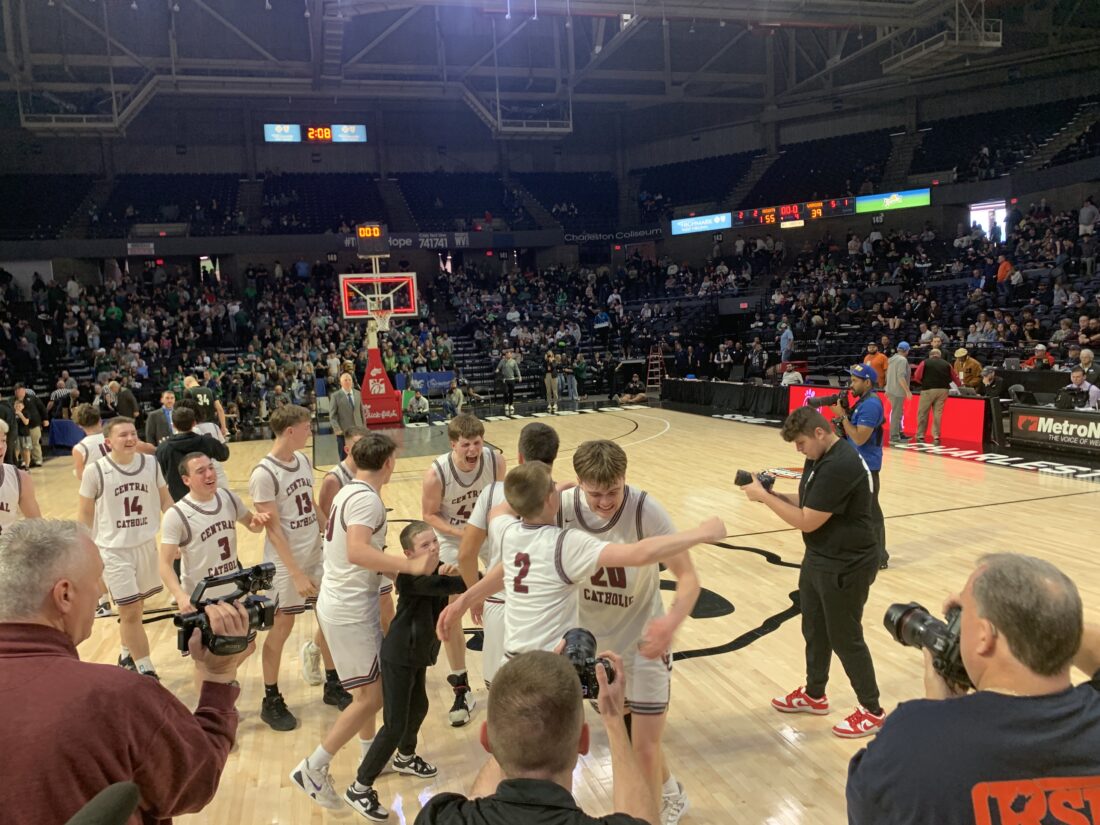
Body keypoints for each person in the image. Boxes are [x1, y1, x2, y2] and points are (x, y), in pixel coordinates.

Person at [0, 519, 253, 825]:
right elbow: (197, 782)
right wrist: (219, 676)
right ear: (64, 595)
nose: (101, 592)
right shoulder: (116, 697)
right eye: (97, 579)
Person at [847, 554, 1100, 824]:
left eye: (960, 614)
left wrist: (937, 717)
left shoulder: (905, 745)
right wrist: (1041, 620)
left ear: (984, 636)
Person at [291, 434, 438, 815]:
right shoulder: (367, 500)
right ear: (388, 463)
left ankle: (370, 754)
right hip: (349, 610)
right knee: (371, 698)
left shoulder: (348, 490)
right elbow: (357, 551)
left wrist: (394, 575)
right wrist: (410, 566)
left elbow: (359, 551)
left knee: (368, 692)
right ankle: (313, 768)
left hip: (346, 603)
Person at [559, 440, 700, 824]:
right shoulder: (562, 507)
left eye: (613, 491)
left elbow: (688, 578)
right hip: (595, 646)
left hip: (643, 644)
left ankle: (652, 813)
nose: (605, 502)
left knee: (643, 747)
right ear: (578, 482)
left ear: (625, 477)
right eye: (596, 494)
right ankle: (671, 793)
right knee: (627, 730)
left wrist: (670, 623)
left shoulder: (644, 510)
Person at [740, 406, 885, 738]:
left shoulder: (841, 464)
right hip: (821, 555)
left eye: (801, 443)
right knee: (815, 628)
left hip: (848, 562)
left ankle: (873, 711)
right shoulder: (819, 456)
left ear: (820, 433)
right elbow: (810, 500)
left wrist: (764, 497)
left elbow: (807, 520)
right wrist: (774, 495)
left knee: (845, 637)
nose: (798, 450)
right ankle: (815, 694)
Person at [412, 650, 658, 825]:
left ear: (486, 739)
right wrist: (614, 720)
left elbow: (478, 804)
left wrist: (530, 690)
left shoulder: (440, 817)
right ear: (583, 742)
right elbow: (642, 820)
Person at [345, 521, 467, 821]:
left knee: (420, 706)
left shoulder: (436, 569)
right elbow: (455, 586)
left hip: (417, 656)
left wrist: (450, 572)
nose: (434, 548)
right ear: (408, 554)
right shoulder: (411, 578)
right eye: (425, 545)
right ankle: (360, 787)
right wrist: (460, 575)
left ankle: (405, 757)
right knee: (394, 725)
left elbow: (452, 584)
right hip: (399, 656)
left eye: (434, 541)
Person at [248, 404, 349, 731]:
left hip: (314, 553)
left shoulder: (303, 460)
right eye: (306, 427)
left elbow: (311, 506)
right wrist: (295, 573)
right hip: (285, 562)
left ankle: (333, 683)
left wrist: (330, 532)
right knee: (283, 625)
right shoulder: (264, 474)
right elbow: (274, 531)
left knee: (328, 618)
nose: (310, 432)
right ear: (290, 431)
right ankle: (271, 699)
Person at [456, 423, 560, 693]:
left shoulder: (492, 494)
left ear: (520, 456)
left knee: (503, 695)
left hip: (500, 603)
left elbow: (466, 555)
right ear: (554, 456)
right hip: (548, 608)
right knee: (547, 694)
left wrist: (475, 595)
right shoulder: (563, 497)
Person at [421, 413, 506, 727]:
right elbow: (429, 514)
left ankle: (507, 668)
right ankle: (460, 686)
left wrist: (486, 531)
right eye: (466, 444)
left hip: (489, 530)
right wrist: (463, 534)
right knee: (454, 601)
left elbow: (503, 501)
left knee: (508, 588)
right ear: (453, 444)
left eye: (477, 443)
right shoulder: (437, 473)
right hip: (452, 535)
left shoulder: (495, 461)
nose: (473, 450)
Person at [76, 417, 172, 679]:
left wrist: (179, 533)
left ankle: (126, 653)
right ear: (108, 442)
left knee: (136, 609)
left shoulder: (150, 464)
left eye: (133, 434)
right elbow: (85, 514)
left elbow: (166, 501)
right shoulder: (95, 471)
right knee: (129, 610)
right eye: (123, 435)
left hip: (145, 546)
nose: (130, 439)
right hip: (113, 550)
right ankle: (146, 669)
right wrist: (82, 549)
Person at [158, 452, 268, 611]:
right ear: (186, 480)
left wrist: (258, 522)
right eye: (201, 471)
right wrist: (180, 596)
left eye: (211, 468)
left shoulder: (228, 497)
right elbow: (164, 564)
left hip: (235, 592)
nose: (209, 474)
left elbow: (254, 527)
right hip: (201, 599)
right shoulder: (177, 514)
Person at [318, 425, 395, 635]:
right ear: (347, 449)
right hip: (349, 561)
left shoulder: (370, 475)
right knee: (339, 620)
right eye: (359, 444)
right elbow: (327, 522)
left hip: (372, 551)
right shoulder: (334, 479)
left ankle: (390, 649)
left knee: (386, 603)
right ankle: (317, 647)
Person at [832, 365, 888, 569]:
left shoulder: (871, 404)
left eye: (855, 380)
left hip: (867, 466)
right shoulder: (862, 401)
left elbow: (859, 438)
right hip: (856, 463)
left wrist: (842, 416)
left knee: (870, 511)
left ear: (867, 382)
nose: (851, 384)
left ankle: (879, 556)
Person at [155, 405, 231, 502]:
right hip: (205, 496)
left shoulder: (163, 448)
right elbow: (224, 455)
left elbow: (161, 473)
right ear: (194, 423)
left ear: (173, 425)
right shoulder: (207, 442)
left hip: (179, 499)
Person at [0, 420, 40, 534]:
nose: (1, 446)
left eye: (3, 440)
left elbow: (38, 527)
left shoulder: (20, 478)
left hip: (6, 544)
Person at [912, 348, 959, 446]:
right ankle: (936, 435)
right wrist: (959, 385)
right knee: (938, 413)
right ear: (939, 355)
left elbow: (917, 376)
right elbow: (955, 377)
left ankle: (920, 434)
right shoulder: (947, 364)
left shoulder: (925, 362)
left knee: (923, 412)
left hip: (928, 389)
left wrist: (922, 382)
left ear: (930, 355)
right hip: (943, 390)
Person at [330, 372, 365, 459]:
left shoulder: (358, 393)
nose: (348, 382)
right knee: (344, 457)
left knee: (360, 455)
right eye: (345, 380)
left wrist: (364, 427)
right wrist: (337, 430)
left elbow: (362, 412)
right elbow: (332, 416)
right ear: (341, 382)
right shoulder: (335, 396)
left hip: (358, 431)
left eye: (349, 380)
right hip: (343, 432)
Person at [12, 384, 47, 469]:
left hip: (33, 424)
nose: (18, 393)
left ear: (24, 390)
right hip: (21, 427)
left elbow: (42, 408)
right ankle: (25, 461)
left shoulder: (32, 398)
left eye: (20, 391)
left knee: (35, 442)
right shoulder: (12, 400)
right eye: (17, 391)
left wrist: (45, 419)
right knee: (23, 445)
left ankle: (37, 460)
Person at [885, 341, 912, 443]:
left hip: (891, 389)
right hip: (897, 391)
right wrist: (907, 391)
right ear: (907, 350)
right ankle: (894, 437)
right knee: (896, 414)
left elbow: (888, 374)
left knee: (899, 413)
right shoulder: (902, 360)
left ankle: (899, 433)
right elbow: (900, 377)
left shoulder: (891, 359)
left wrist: (887, 387)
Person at [497, 349, 522, 415]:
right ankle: (506, 404)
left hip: (512, 379)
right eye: (507, 354)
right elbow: (498, 367)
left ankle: (511, 404)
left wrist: (519, 376)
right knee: (505, 392)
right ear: (505, 355)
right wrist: (497, 370)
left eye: (509, 354)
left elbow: (517, 369)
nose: (508, 355)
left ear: (511, 355)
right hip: (505, 379)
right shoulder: (502, 361)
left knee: (511, 393)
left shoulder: (513, 361)